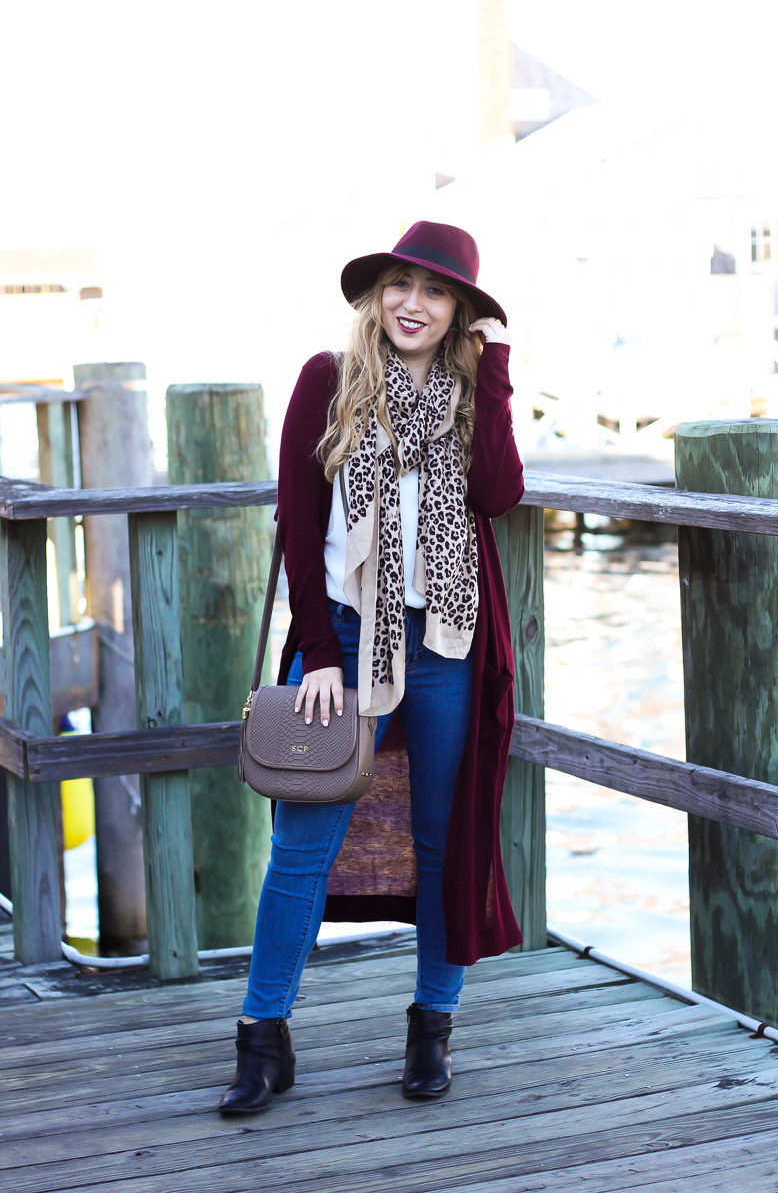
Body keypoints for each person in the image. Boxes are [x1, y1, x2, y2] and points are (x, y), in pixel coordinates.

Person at [219, 220, 525, 1115]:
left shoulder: (472, 395)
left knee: (442, 846)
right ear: (375, 296)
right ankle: (261, 1039)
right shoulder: (329, 381)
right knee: (300, 852)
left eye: (434, 292)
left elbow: (500, 495)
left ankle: (432, 1030)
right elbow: (295, 518)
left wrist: (495, 375)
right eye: (399, 285)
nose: (412, 304)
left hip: (449, 647)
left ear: (460, 311)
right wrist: (316, 652)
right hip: (347, 646)